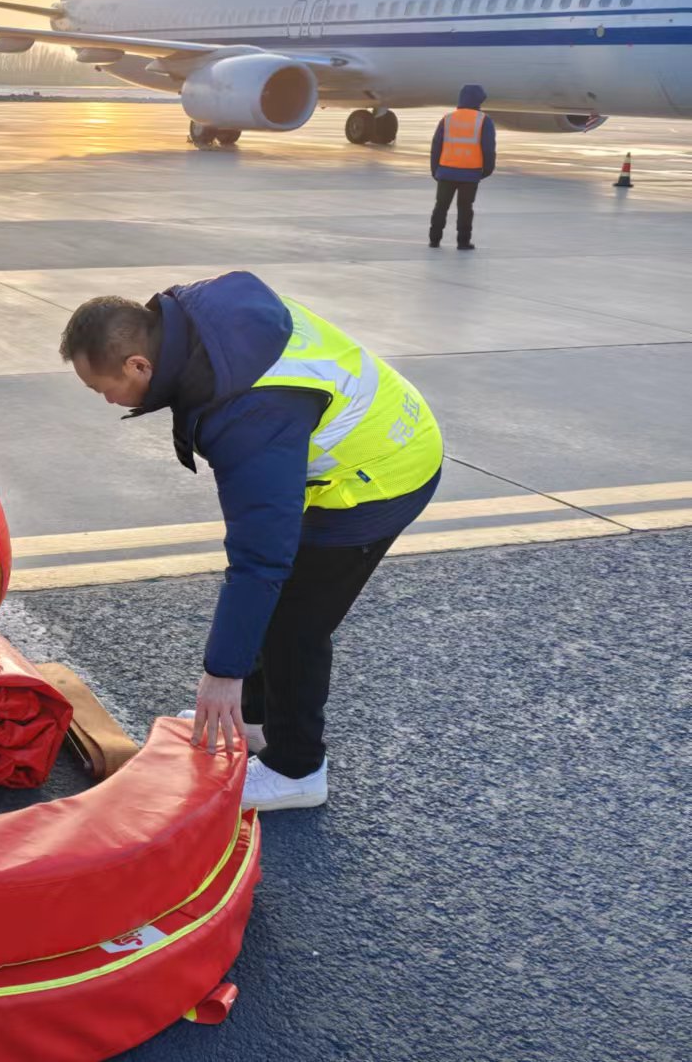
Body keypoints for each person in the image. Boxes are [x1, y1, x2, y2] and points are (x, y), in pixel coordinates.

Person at [60, 272, 444, 811]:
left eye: (104, 389)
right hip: (377, 429)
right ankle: (258, 721)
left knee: (294, 622)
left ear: (138, 365)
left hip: (383, 475)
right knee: (276, 604)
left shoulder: (246, 410)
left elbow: (261, 555)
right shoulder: (195, 314)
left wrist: (223, 673)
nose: (107, 401)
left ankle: (297, 770)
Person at [428, 83, 496, 250]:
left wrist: (435, 170)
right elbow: (488, 148)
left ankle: (434, 240)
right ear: (478, 100)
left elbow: (436, 145)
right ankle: (463, 242)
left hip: (446, 172)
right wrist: (486, 170)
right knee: (465, 209)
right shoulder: (484, 121)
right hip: (470, 174)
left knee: (440, 207)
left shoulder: (448, 119)